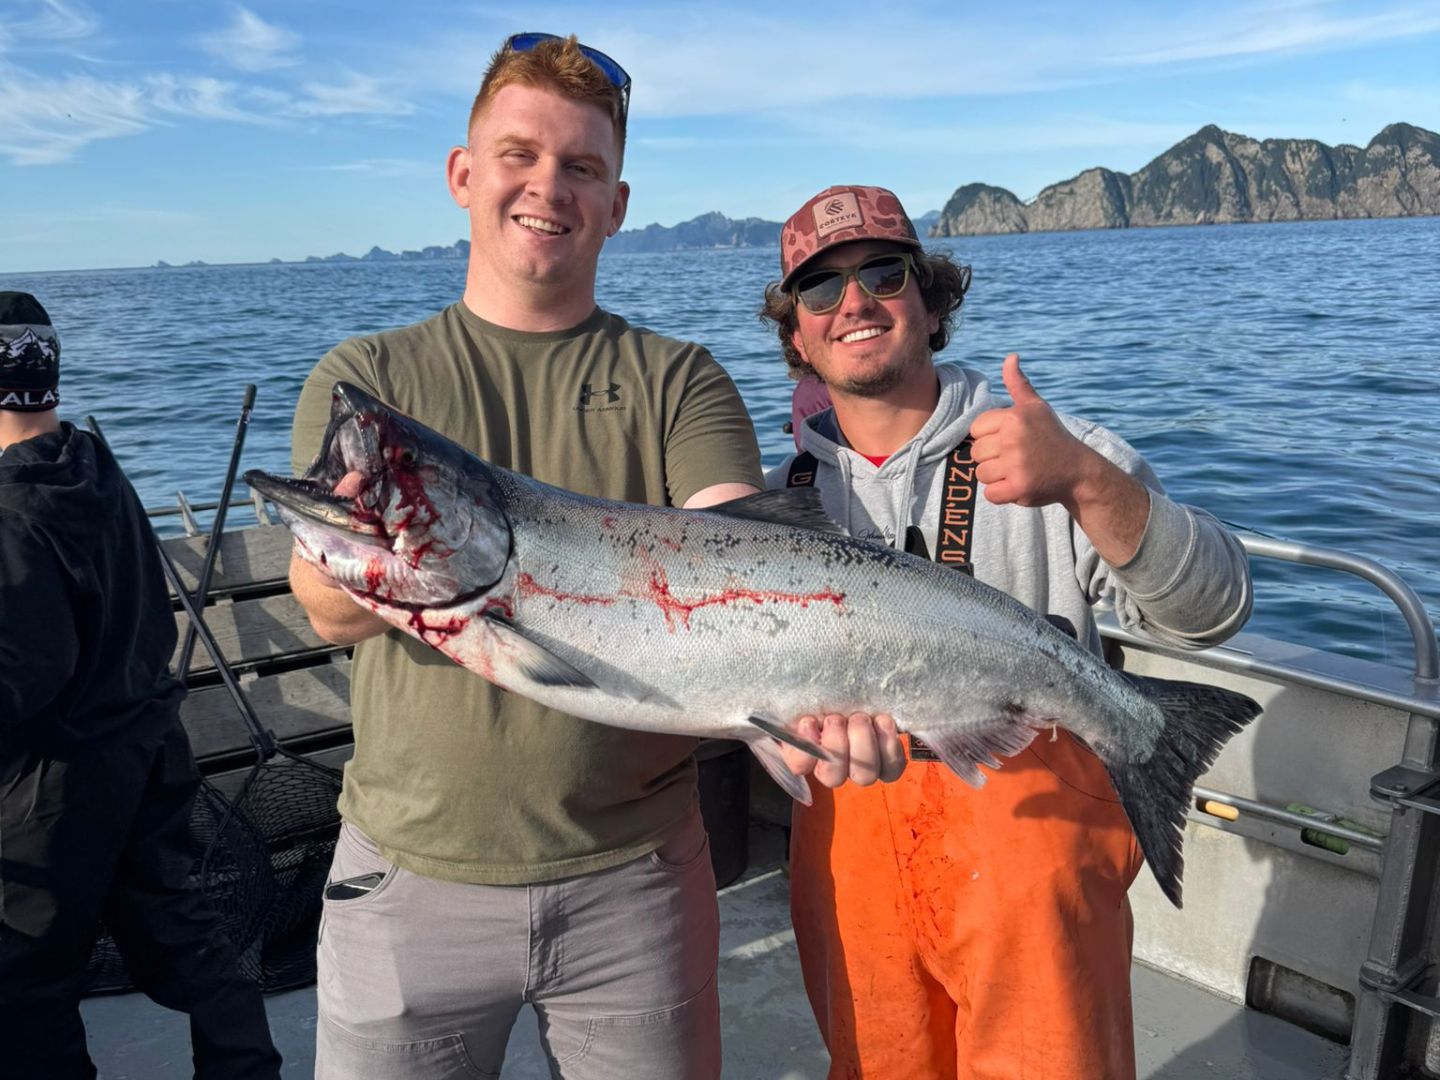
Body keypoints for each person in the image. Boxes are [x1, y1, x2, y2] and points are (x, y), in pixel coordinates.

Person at [288, 34, 766, 1079]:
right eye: (519, 155)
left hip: (636, 885)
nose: (547, 186)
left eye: (581, 166)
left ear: (618, 202)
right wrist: (416, 552)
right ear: (464, 175)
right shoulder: (367, 377)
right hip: (408, 883)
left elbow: (741, 540)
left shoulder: (678, 379)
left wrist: (825, 688)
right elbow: (324, 604)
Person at [760, 186, 1254, 1080]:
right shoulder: (774, 507)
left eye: (883, 272)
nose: (855, 302)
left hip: (1032, 857)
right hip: (851, 867)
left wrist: (1089, 483)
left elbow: (1215, 609)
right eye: (820, 290)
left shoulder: (1053, 449)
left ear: (933, 297)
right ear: (796, 332)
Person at [0, 292, 283, 1080]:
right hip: (149, 749)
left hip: (49, 793)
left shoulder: (10, 510)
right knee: (182, 931)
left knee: (23, 986)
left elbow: (19, 680)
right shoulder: (91, 464)